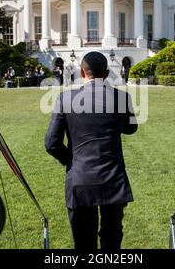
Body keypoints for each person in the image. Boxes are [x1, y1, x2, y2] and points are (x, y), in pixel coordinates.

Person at [45, 51, 138, 250]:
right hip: (113, 179)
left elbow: (51, 143)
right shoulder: (122, 97)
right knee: (112, 241)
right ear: (106, 73)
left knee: (84, 244)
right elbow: (131, 128)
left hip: (80, 178)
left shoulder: (65, 98)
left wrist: (71, 161)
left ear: (81, 72)